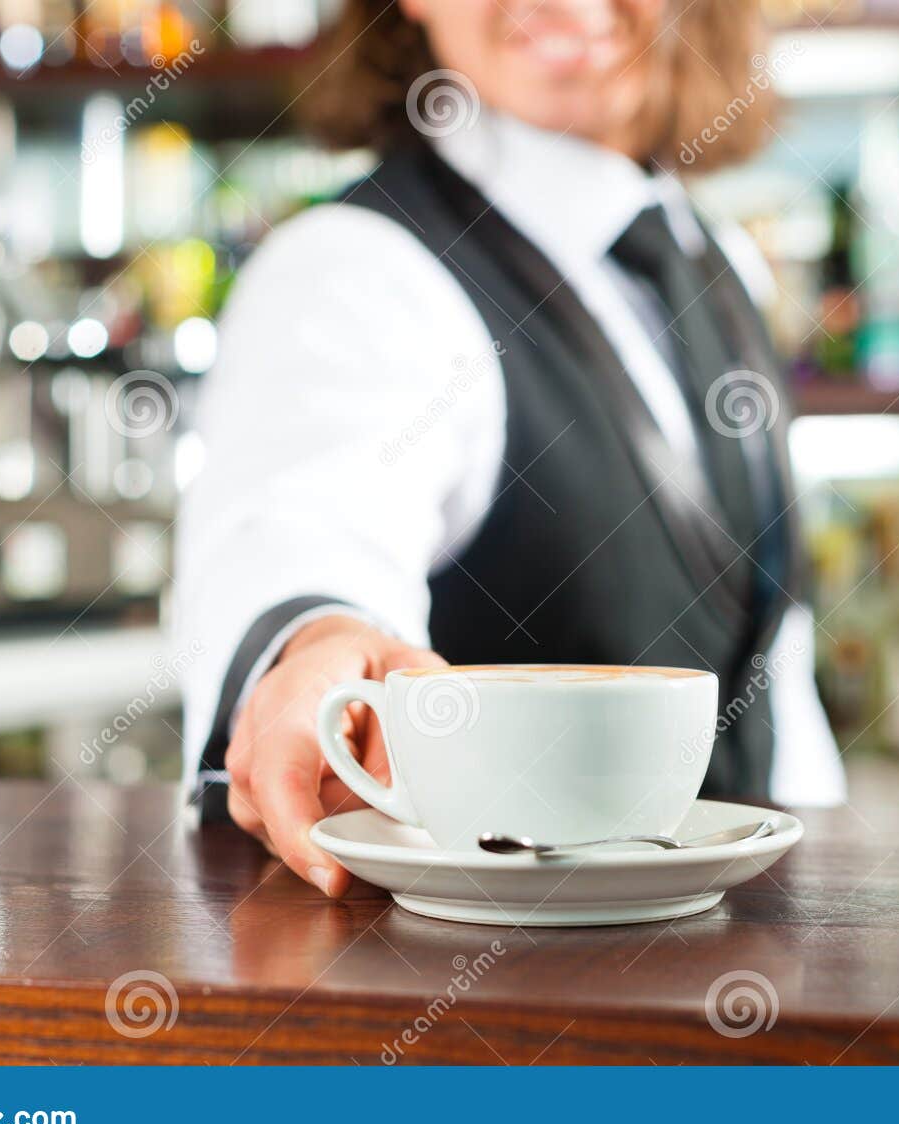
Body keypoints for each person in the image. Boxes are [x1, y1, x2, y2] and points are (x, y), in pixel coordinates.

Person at [176, 0, 845, 897]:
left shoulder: (716, 257)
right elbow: (298, 528)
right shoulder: (351, 270)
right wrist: (319, 639)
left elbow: (769, 660)